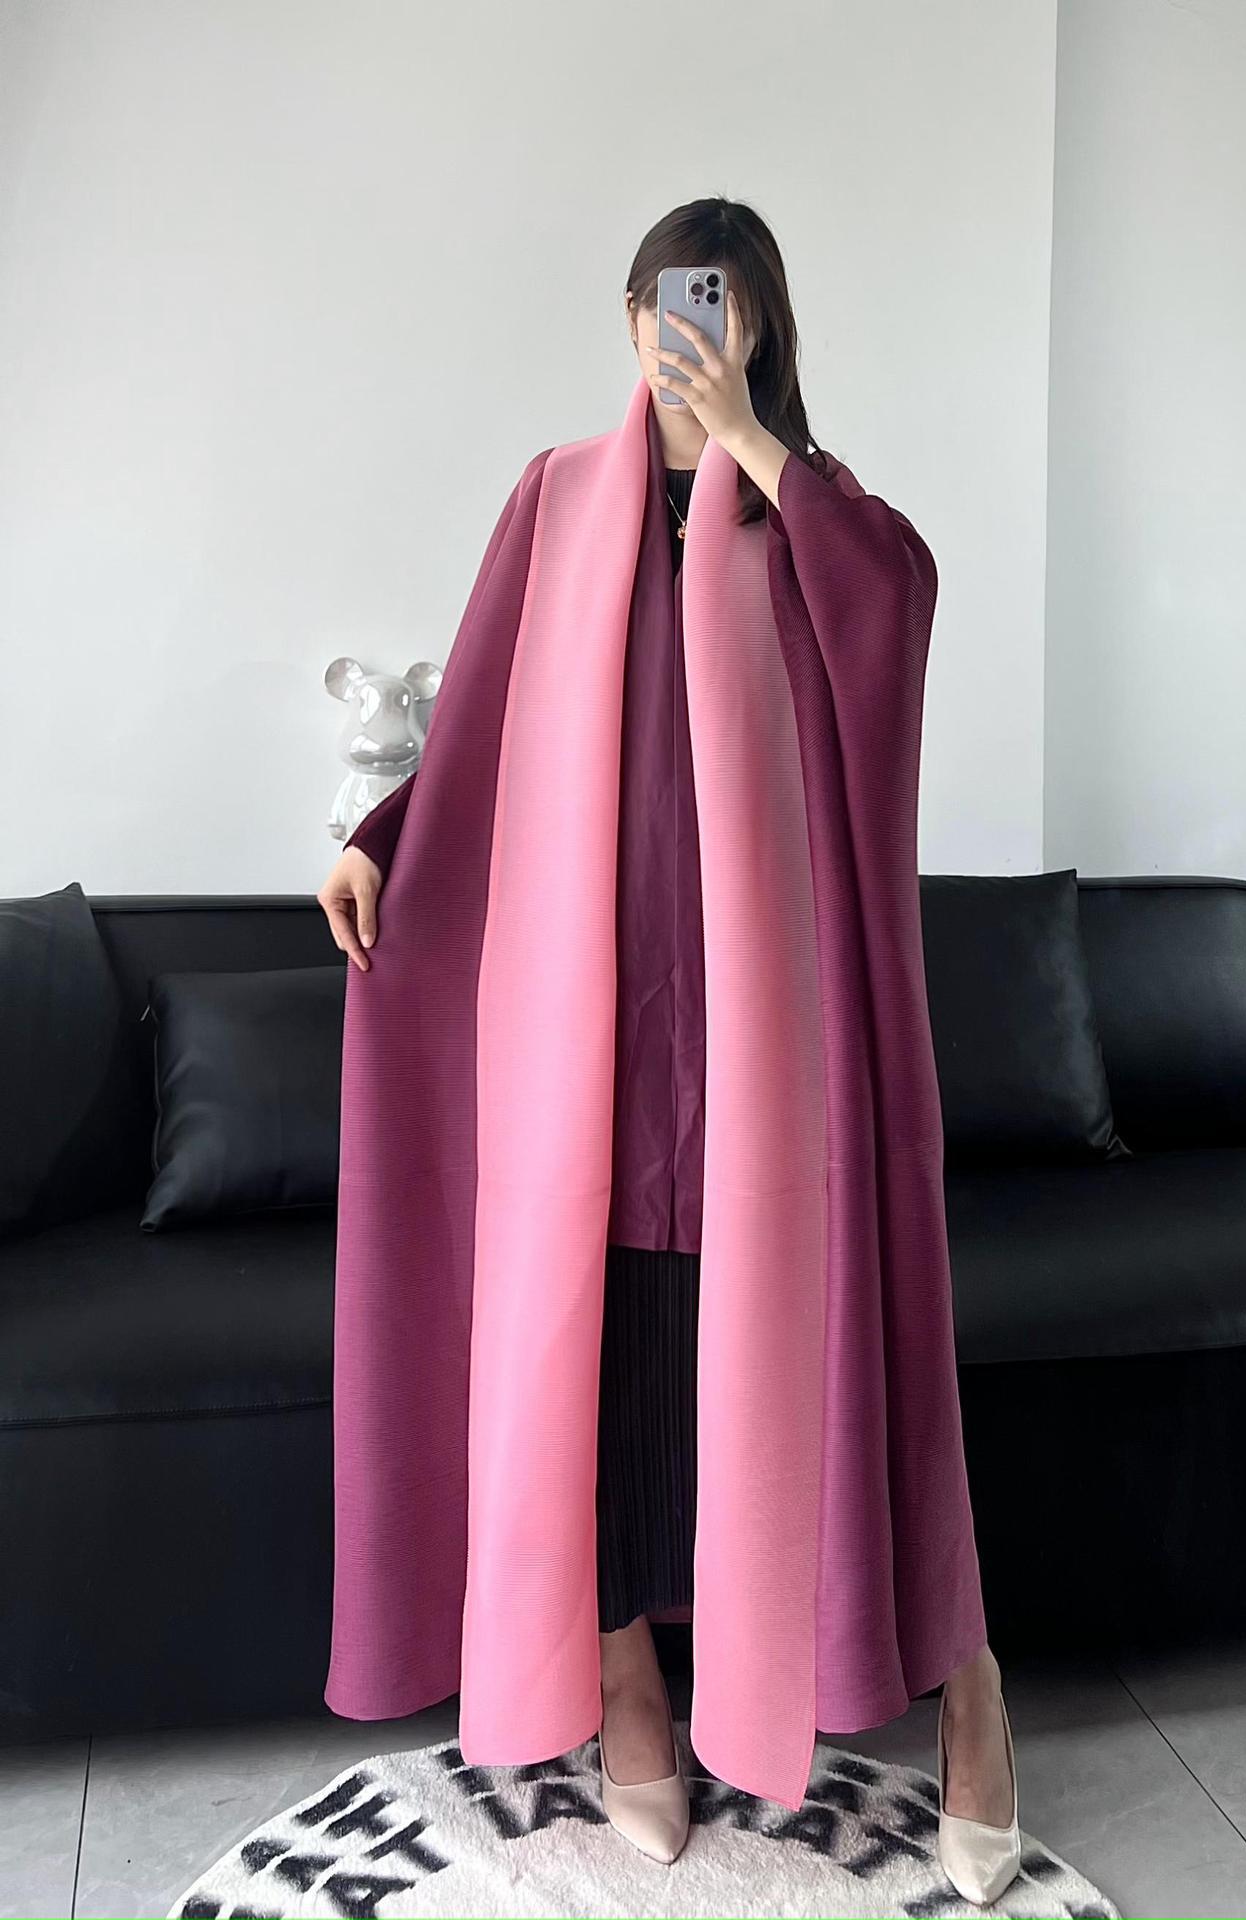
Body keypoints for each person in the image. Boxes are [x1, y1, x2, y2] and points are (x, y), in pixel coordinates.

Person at [317, 197, 1020, 1903]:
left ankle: (971, 1694)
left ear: (760, 327)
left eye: (720, 306)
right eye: (662, 303)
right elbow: (479, 733)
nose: (686, 331)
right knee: (610, 1369)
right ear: (627, 318)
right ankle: (628, 1686)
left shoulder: (817, 523)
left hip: (784, 1056)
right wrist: (380, 841)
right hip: (602, 1053)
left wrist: (757, 450)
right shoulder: (556, 506)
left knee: (849, 1372)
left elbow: (896, 621)